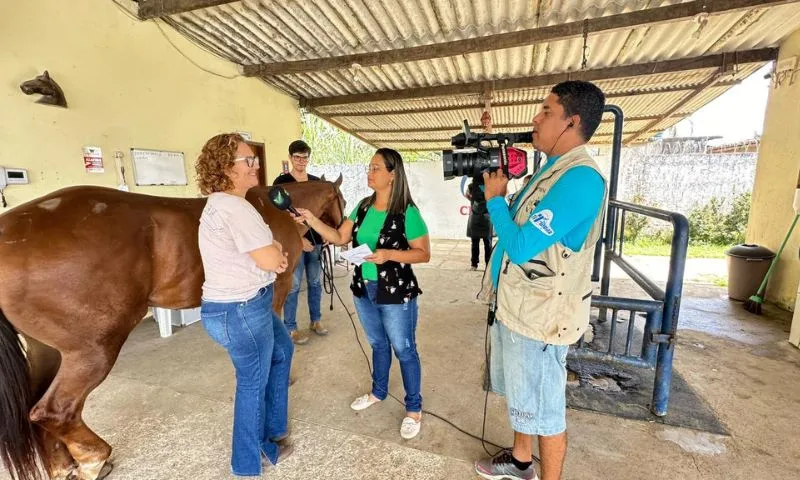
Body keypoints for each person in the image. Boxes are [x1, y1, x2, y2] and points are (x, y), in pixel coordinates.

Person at [474, 81, 607, 480]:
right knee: (522, 396)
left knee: (546, 411)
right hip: (519, 307)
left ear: (572, 121)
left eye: (546, 111)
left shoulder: (581, 179)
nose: (536, 117)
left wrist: (496, 199)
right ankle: (519, 461)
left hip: (543, 319)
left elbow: (519, 245)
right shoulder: (550, 169)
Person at [291, 148, 431, 440]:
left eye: (376, 168)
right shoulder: (363, 207)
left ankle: (413, 408)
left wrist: (389, 254)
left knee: (404, 349)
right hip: (363, 289)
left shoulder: (407, 212)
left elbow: (423, 254)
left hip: (395, 291)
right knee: (378, 344)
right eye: (369, 166)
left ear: (393, 175)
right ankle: (378, 392)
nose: (370, 172)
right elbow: (341, 237)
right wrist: (311, 221)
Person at [195, 133, 294, 476]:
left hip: (244, 306)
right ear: (225, 168)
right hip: (242, 311)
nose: (256, 166)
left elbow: (267, 253)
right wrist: (277, 255)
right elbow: (269, 258)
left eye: (254, 159)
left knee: (282, 352)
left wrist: (273, 254)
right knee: (251, 385)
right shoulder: (234, 207)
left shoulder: (225, 203)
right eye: (247, 161)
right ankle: (247, 464)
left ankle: (275, 429)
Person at [273, 140, 327, 345]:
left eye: (304, 157)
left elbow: (322, 211)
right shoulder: (281, 182)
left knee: (315, 282)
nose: (301, 161)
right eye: (297, 157)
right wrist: (299, 238)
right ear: (290, 158)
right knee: (293, 285)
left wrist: (326, 236)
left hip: (316, 240)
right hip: (293, 243)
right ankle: (291, 327)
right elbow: (278, 214)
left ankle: (316, 320)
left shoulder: (315, 182)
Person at [465, 177, 493, 271]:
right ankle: (488, 265)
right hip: (487, 217)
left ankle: (474, 265)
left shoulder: (471, 187)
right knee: (487, 243)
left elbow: (467, 195)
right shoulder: (490, 186)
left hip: (476, 216)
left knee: (475, 243)